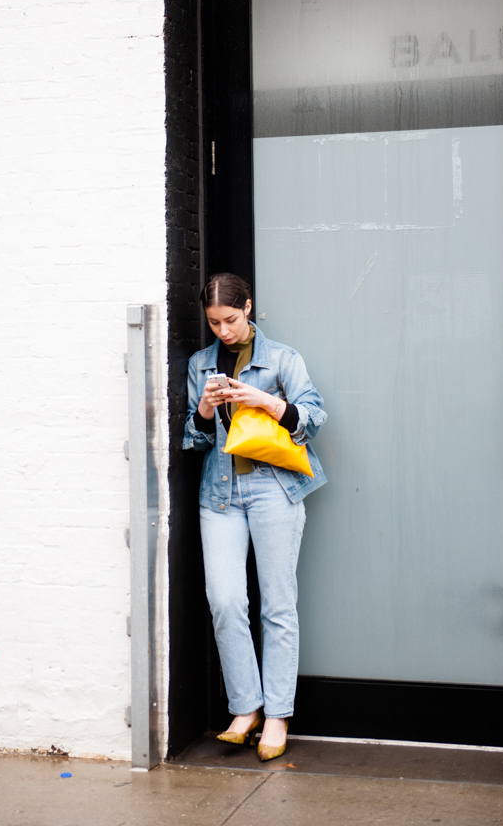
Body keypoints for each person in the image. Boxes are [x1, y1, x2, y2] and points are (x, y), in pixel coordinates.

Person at [183, 272, 327, 761]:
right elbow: (194, 440)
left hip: (274, 489)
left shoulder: (282, 358)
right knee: (225, 601)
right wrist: (203, 411)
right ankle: (245, 708)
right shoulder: (200, 364)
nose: (222, 331)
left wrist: (265, 401)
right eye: (214, 322)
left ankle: (278, 715)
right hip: (219, 493)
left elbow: (314, 417)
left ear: (248, 307)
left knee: (277, 605)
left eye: (230, 319)